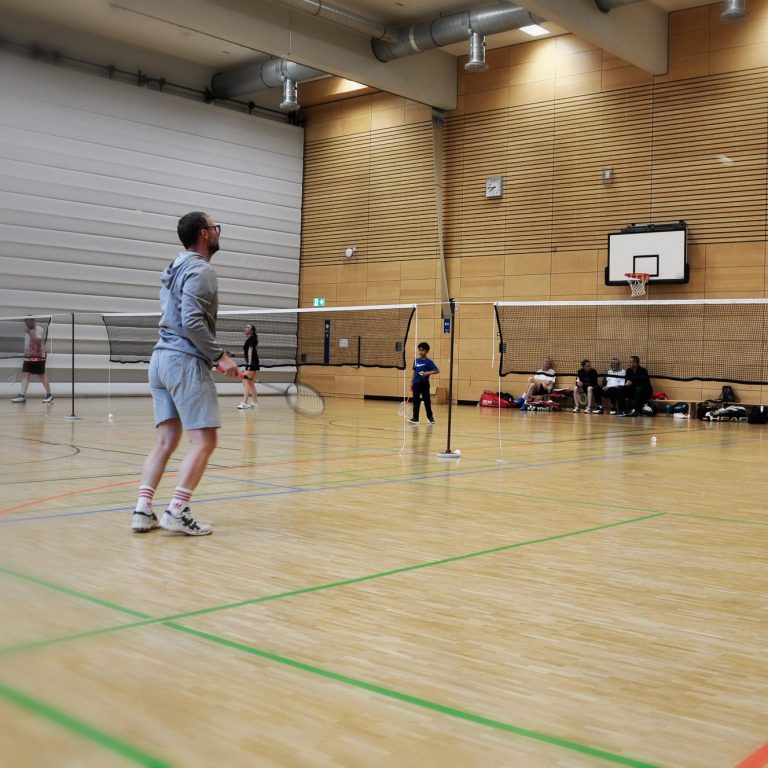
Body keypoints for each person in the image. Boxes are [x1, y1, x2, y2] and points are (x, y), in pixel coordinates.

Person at [131, 211, 240, 536]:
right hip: (183, 361)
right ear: (204, 234)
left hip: (160, 360)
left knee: (166, 440)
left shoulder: (174, 267)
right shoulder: (202, 270)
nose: (218, 232)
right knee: (205, 440)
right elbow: (191, 321)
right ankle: (177, 511)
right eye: (214, 227)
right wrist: (219, 356)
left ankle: (142, 510)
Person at [11, 318, 53, 404]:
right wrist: (25, 355)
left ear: (33, 321)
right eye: (26, 321)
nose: (27, 323)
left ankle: (49, 395)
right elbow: (27, 344)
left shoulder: (39, 329)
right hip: (28, 357)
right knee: (25, 375)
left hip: (38, 357)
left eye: (29, 321)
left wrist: (29, 332)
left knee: (42, 375)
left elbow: (38, 341)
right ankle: (22, 396)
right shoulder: (27, 331)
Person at [409, 341, 439, 425]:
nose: (420, 351)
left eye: (422, 350)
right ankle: (415, 418)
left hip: (424, 384)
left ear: (427, 351)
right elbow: (414, 372)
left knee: (427, 401)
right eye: (419, 350)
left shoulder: (429, 362)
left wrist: (427, 373)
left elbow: (437, 370)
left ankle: (430, 418)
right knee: (416, 401)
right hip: (416, 384)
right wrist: (411, 382)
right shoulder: (416, 360)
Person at [238, 323, 260, 410]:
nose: (245, 328)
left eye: (248, 327)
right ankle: (255, 403)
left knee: (245, 381)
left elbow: (250, 352)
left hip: (252, 363)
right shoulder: (250, 339)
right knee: (250, 383)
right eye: (245, 327)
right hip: (253, 362)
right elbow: (246, 352)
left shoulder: (251, 339)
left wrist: (249, 364)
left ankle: (244, 403)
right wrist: (233, 354)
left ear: (252, 331)